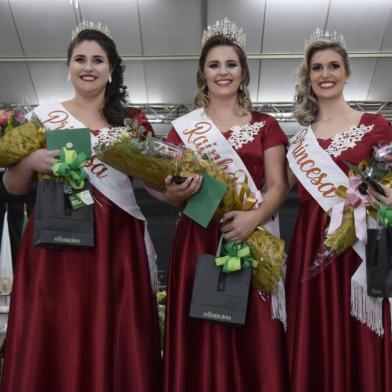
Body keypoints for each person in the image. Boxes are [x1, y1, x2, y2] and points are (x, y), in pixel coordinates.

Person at [0, 22, 161, 392]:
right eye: (80, 59)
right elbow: (11, 186)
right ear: (69, 66)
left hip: (117, 242)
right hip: (55, 243)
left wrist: (180, 186)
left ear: (111, 68)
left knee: (115, 331)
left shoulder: (132, 123)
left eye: (98, 60)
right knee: (57, 331)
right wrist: (30, 162)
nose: (88, 67)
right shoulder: (42, 118)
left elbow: (156, 187)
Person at [160, 18, 289, 392]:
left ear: (243, 73)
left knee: (256, 332)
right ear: (203, 73)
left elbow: (278, 186)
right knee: (203, 332)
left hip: (251, 236)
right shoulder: (182, 128)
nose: (223, 72)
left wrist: (253, 218)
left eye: (231, 64)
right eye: (214, 65)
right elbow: (170, 190)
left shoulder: (266, 126)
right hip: (197, 241)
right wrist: (173, 193)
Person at [286, 28, 392, 392]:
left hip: (360, 248)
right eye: (317, 68)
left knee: (359, 335)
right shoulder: (299, 141)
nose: (325, 74)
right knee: (315, 335)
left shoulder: (375, 126)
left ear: (346, 72)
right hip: (310, 247)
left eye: (333, 66)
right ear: (309, 76)